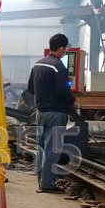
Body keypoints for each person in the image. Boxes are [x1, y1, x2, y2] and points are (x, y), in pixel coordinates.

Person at [27, 34, 75, 193]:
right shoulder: (58, 66)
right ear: (61, 49)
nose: (65, 51)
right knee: (52, 149)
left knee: (41, 148)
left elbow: (31, 88)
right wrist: (72, 100)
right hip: (56, 113)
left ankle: (41, 181)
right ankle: (47, 184)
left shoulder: (38, 64)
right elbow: (62, 91)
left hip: (41, 112)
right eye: (65, 49)